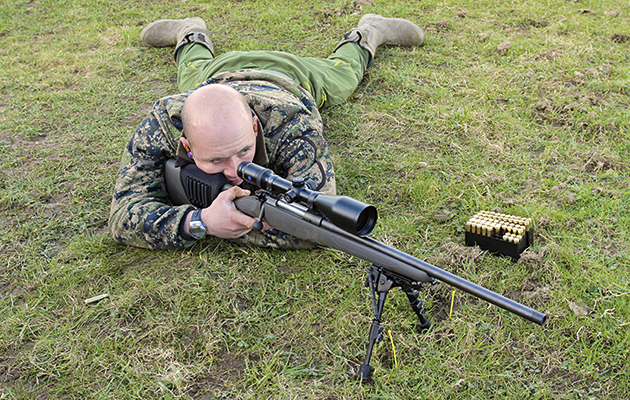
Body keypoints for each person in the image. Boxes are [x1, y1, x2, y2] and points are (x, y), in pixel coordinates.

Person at [108, 14, 425, 249]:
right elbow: (123, 217)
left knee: (343, 75)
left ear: (255, 127)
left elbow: (317, 229)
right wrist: (200, 222)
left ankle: (367, 32)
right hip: (216, 78)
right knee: (191, 71)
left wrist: (226, 220)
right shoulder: (168, 119)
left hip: (295, 77)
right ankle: (189, 32)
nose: (235, 171)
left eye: (244, 151)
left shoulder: (293, 126)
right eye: (216, 160)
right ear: (187, 146)